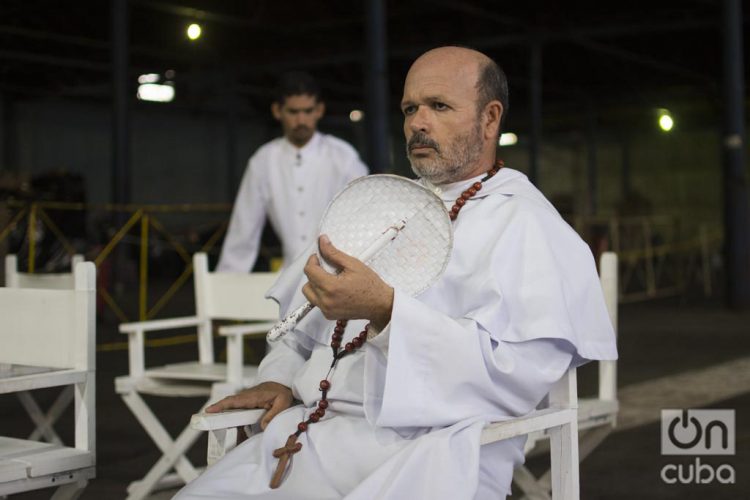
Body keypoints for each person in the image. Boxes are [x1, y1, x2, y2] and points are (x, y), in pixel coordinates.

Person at [176, 46, 617, 499]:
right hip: (309, 434)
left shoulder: (527, 223)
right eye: (410, 108)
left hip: (430, 450)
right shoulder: (374, 203)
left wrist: (388, 311)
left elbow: (516, 380)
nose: (417, 123)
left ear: (490, 119)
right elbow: (297, 333)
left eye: (439, 106)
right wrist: (280, 377)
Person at [217, 71, 368, 272]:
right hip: (289, 277)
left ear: (319, 110)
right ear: (277, 111)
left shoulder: (343, 156)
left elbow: (367, 217)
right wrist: (225, 287)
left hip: (340, 273)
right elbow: (244, 228)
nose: (301, 120)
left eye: (308, 111)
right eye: (293, 112)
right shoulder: (263, 160)